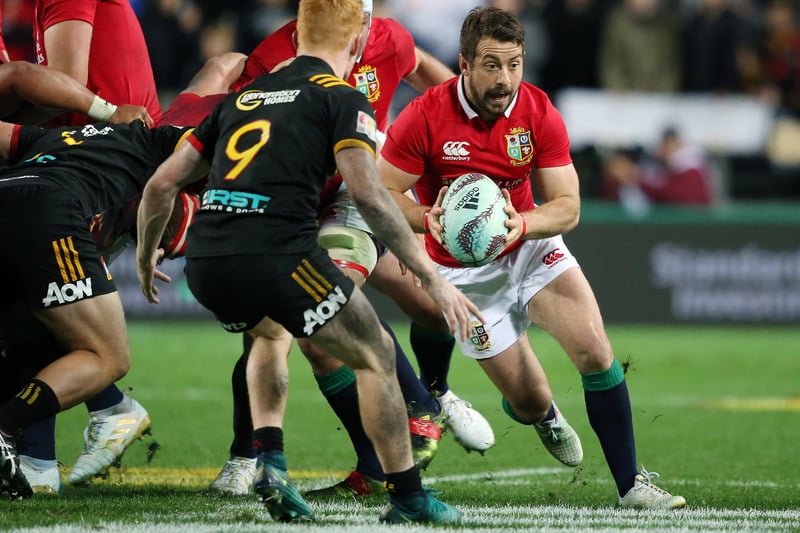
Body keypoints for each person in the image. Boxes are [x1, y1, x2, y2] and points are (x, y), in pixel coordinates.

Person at [136, 0, 479, 523]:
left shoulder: (244, 96)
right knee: (375, 355)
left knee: (270, 336)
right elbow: (369, 196)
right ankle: (408, 496)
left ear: (294, 37)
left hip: (208, 262)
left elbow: (163, 182)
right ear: (358, 42)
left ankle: (269, 463)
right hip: (278, 254)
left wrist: (144, 256)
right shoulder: (343, 98)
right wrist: (434, 278)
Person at [378, 6, 687, 510]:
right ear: (464, 64)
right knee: (526, 400)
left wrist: (521, 224)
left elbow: (567, 206)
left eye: (514, 64)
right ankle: (542, 414)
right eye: (493, 65)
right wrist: (424, 218)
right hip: (462, 274)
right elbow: (384, 191)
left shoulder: (537, 110)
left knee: (593, 349)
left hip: (528, 245)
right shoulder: (425, 116)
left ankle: (632, 485)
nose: (506, 79)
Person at [0, 107, 189, 500]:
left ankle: (39, 459)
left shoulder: (48, 137)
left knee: (24, 334)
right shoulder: (152, 140)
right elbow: (219, 141)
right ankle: (6, 426)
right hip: (48, 207)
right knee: (109, 357)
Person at [26, 0, 164, 488]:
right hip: (103, 167)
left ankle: (38, 460)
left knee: (30, 300)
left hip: (95, 167)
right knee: (38, 305)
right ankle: (93, 419)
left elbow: (61, 82)